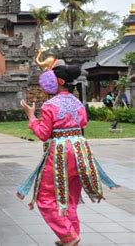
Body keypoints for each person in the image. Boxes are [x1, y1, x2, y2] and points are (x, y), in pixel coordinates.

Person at [17, 53, 118, 246]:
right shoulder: (78, 103)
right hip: (80, 152)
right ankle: (73, 235)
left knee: (46, 199)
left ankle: (68, 236)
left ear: (60, 81)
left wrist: (31, 116)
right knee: (70, 198)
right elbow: (83, 123)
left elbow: (43, 134)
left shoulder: (49, 105)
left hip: (59, 153)